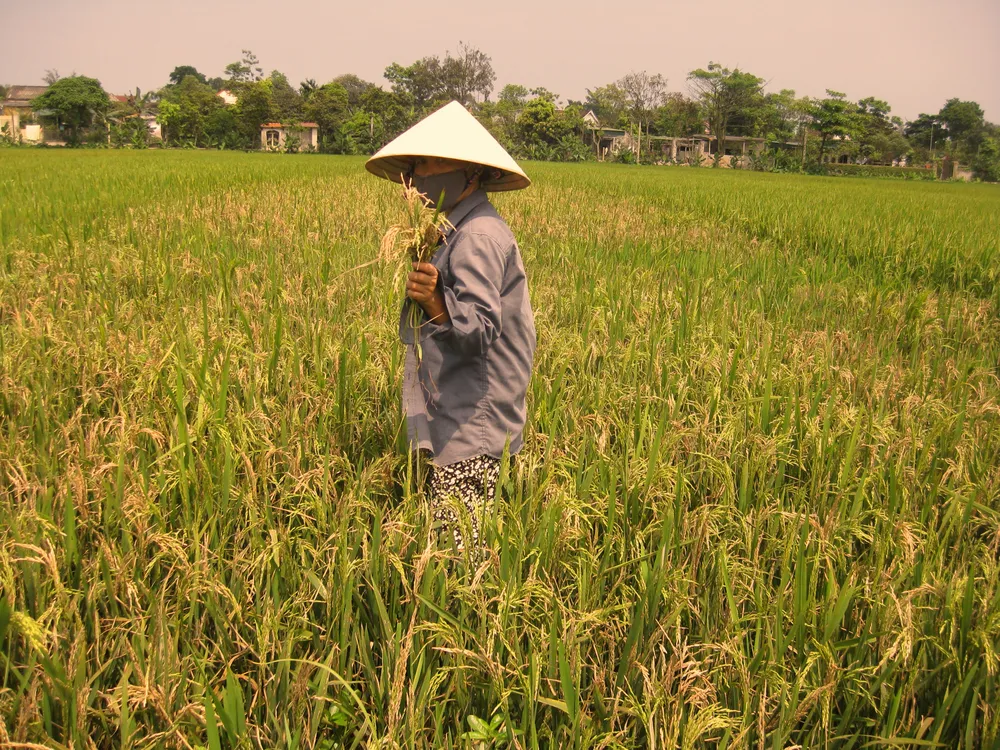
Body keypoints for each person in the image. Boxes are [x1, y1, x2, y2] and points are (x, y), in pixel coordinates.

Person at [366, 101, 535, 555]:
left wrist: (436, 301)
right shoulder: (451, 230)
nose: (418, 175)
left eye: (430, 164)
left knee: (458, 552)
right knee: (458, 535)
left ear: (471, 174)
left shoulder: (476, 236)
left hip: (475, 416)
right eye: (416, 165)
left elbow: (480, 329)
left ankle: (464, 596)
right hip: (461, 404)